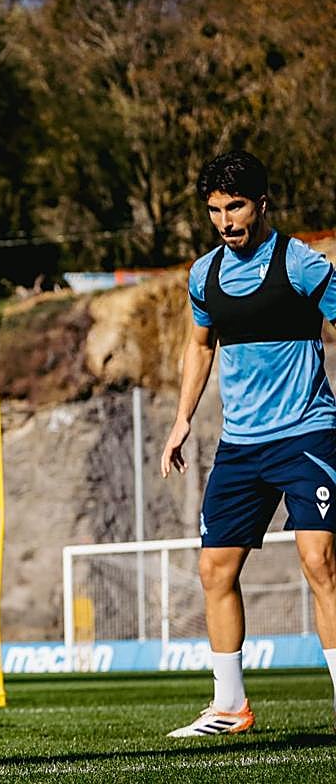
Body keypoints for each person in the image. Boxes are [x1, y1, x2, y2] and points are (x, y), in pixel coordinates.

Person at [161, 150, 336, 737]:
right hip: (240, 445)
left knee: (319, 560)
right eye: (214, 210)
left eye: (234, 207)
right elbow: (200, 347)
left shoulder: (301, 265)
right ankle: (230, 707)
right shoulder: (204, 274)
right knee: (215, 569)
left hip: (307, 432)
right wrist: (182, 418)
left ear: (262, 204)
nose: (225, 221)